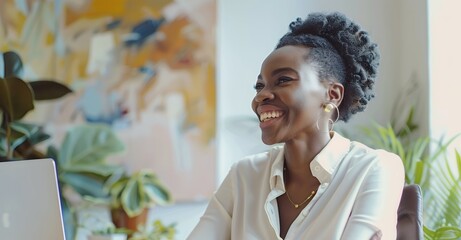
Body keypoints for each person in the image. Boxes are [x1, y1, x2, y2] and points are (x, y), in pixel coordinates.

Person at [187, 12, 404, 240]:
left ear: (332, 94)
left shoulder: (374, 168)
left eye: (283, 80)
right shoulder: (244, 175)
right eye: (259, 86)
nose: (261, 96)